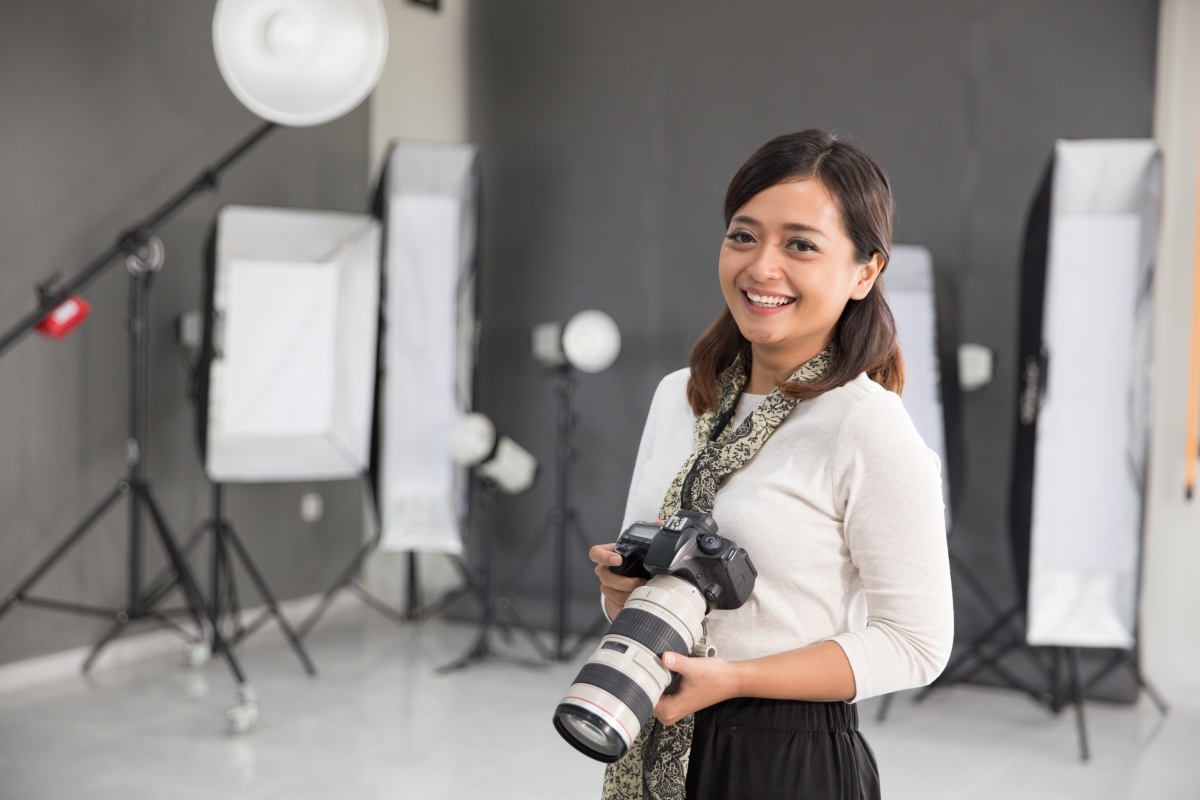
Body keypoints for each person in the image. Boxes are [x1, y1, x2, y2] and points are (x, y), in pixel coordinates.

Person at [589, 129, 953, 800]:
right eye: (743, 236)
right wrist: (621, 592)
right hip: (656, 733)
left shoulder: (865, 425)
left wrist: (736, 679)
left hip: (788, 760)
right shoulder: (680, 397)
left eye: (801, 245)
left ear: (864, 271)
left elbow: (916, 643)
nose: (761, 268)